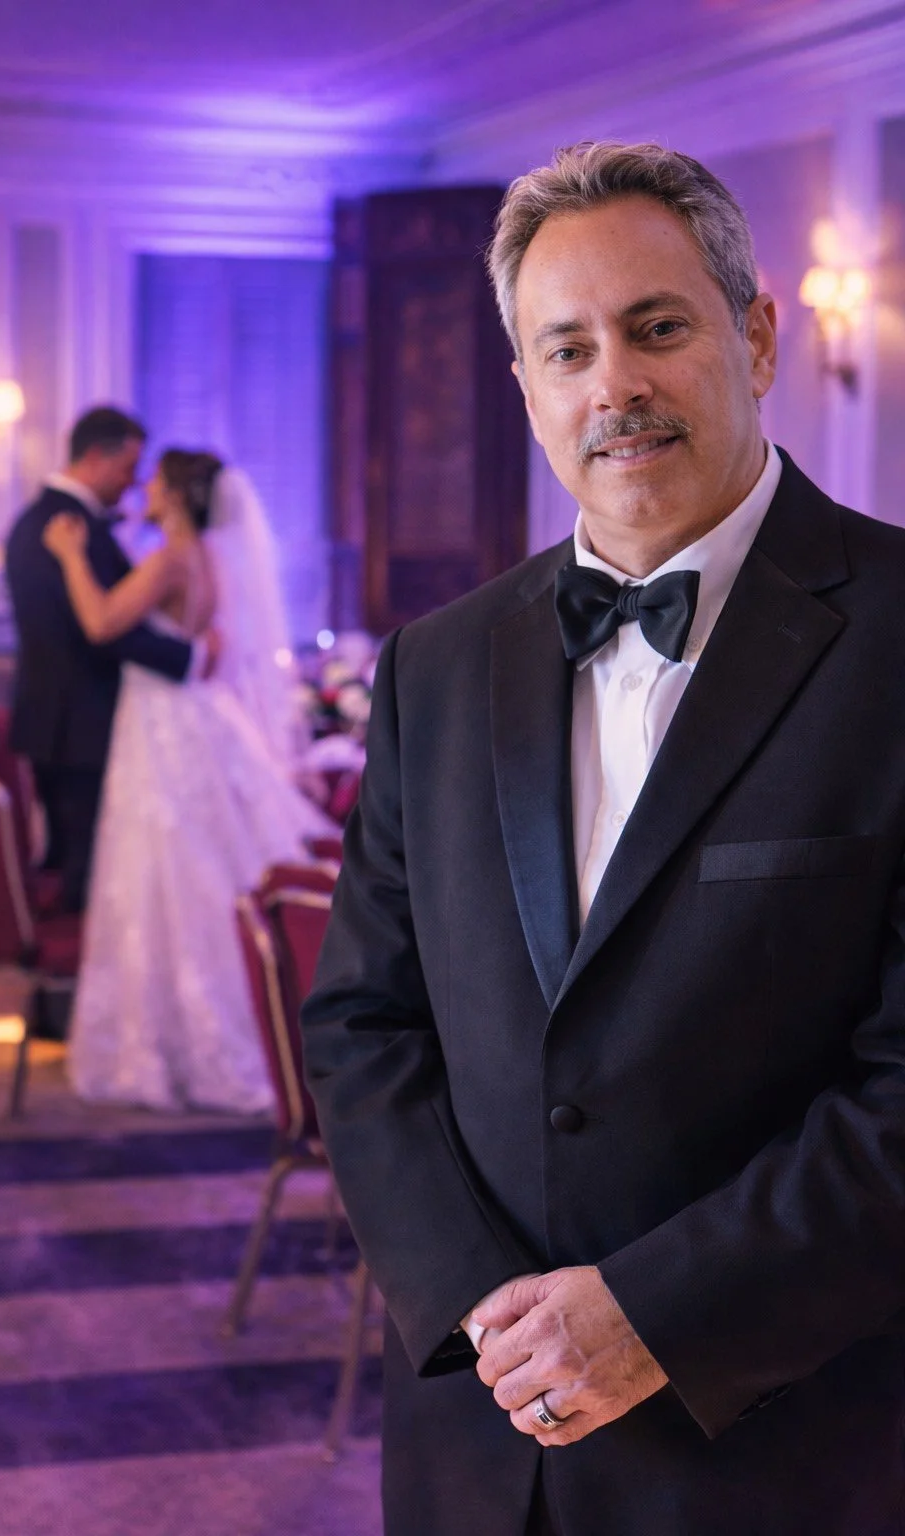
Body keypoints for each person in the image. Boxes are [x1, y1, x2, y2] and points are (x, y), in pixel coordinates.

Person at [301, 140, 905, 1535]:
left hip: (789, 1443)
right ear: (525, 391)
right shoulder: (438, 665)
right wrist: (483, 1316)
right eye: (565, 349)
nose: (613, 385)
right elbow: (361, 1023)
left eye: (658, 328)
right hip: (480, 1437)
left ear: (755, 333)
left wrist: (656, 1316)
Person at [43, 448, 331, 1113]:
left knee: (164, 871)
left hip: (160, 726)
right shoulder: (212, 556)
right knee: (194, 868)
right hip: (188, 717)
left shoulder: (171, 556)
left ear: (173, 495)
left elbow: (101, 622)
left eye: (155, 480)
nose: (144, 487)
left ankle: (175, 1041)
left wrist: (69, 558)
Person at [6, 406, 215, 914]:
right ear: (96, 457)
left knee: (96, 868)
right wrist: (189, 657)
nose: (134, 483)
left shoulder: (46, 522)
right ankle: (71, 987)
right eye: (127, 468)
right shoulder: (62, 526)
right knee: (85, 873)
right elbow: (102, 630)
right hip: (77, 725)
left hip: (82, 723)